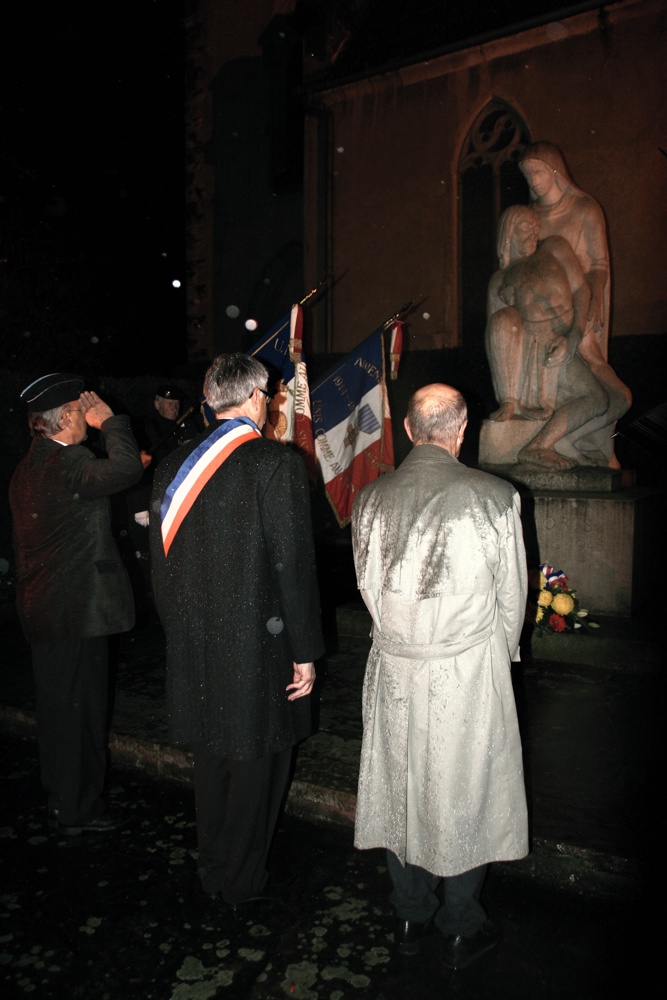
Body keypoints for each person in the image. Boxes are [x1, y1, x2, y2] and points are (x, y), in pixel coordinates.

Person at [351, 384, 528, 970]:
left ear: (406, 429)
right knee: (466, 790)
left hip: (397, 667)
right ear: (461, 428)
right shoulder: (495, 497)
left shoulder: (371, 498)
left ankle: (408, 910)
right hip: (466, 668)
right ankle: (460, 924)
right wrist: (498, 660)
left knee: (402, 784)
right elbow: (512, 600)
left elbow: (365, 587)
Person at [149, 353, 324, 911]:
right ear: (254, 398)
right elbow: (292, 567)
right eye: (270, 395)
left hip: (195, 642)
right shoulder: (275, 462)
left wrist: (182, 632)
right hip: (257, 646)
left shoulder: (174, 465)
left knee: (212, 763)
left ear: (208, 399)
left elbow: (160, 567)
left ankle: (213, 865)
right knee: (257, 765)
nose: (272, 403)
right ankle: (241, 879)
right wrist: (305, 651)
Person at [9, 373, 144, 834]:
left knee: (58, 713)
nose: (87, 413)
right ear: (65, 417)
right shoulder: (68, 462)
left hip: (45, 608)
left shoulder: (31, 465)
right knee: (80, 715)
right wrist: (111, 424)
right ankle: (78, 808)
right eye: (80, 408)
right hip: (75, 613)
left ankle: (63, 798)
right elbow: (126, 471)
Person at [518, 142, 631, 466]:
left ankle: (570, 441)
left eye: (538, 172)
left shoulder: (584, 208)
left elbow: (599, 264)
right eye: (528, 175)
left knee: (617, 396)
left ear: (555, 171)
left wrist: (593, 289)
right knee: (601, 395)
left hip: (581, 316)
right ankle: (563, 444)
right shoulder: (531, 218)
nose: (534, 181)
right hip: (549, 318)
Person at [485, 205, 610, 469]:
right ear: (508, 234)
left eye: (535, 226)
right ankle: (538, 444)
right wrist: (507, 398)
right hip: (534, 348)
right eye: (524, 227)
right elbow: (496, 337)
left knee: (608, 400)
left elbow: (581, 291)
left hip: (560, 340)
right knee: (597, 398)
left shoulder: (554, 248)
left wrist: (573, 335)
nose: (533, 232)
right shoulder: (500, 279)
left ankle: (552, 443)